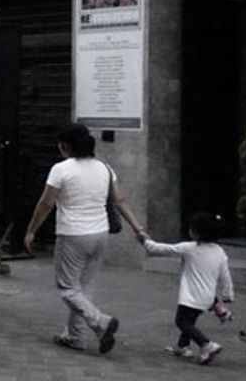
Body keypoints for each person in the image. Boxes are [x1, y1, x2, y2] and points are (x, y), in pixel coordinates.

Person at [24, 123, 145, 354]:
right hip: (100, 234)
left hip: (73, 235)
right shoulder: (105, 168)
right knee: (84, 287)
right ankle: (75, 336)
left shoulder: (61, 169)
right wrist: (138, 228)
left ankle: (101, 321)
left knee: (68, 289)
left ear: (65, 146)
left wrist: (31, 230)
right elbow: (121, 201)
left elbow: (46, 203)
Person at [141, 211, 233, 364]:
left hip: (190, 297)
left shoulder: (189, 248)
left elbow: (160, 249)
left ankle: (206, 344)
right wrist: (228, 294)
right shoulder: (220, 252)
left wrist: (145, 241)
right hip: (208, 298)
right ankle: (182, 346)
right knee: (190, 321)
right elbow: (225, 276)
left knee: (182, 322)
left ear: (196, 232)